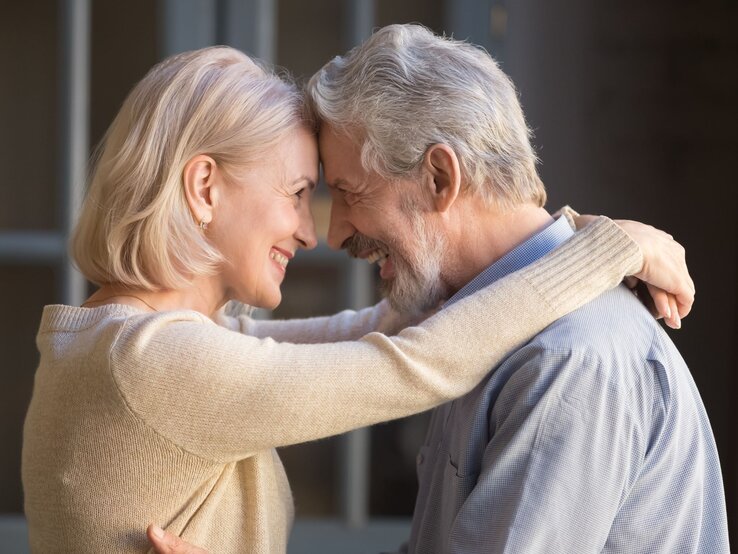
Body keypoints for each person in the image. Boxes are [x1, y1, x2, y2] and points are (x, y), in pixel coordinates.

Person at [20, 46, 688, 554]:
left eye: (341, 192)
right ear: (203, 189)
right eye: (299, 193)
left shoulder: (117, 344)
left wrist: (571, 240)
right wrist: (609, 248)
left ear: (438, 177)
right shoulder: (156, 364)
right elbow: (413, 361)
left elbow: (376, 335)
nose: (317, 232)